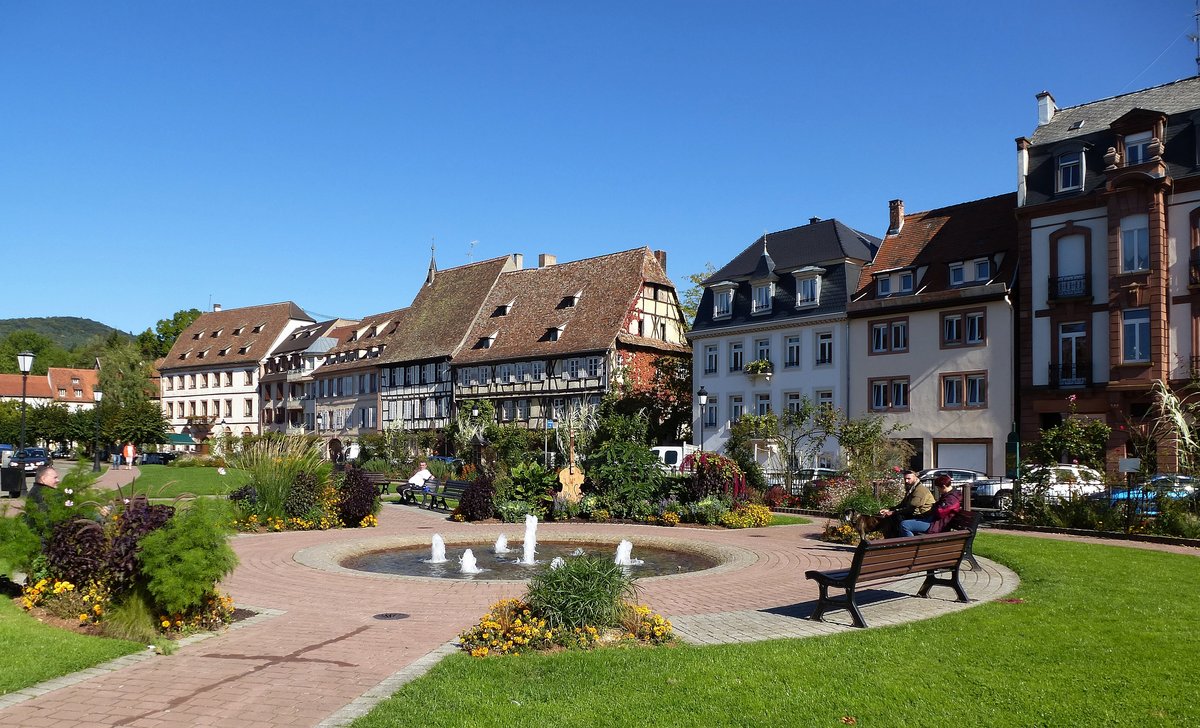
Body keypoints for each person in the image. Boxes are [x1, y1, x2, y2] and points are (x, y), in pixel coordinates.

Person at [878, 469, 935, 538]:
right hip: (916, 515)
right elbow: (903, 504)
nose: (906, 481)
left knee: (902, 523)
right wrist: (889, 510)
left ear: (915, 477)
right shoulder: (912, 489)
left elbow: (911, 508)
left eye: (909, 478)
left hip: (924, 517)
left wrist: (893, 512)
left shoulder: (920, 490)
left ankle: (909, 543)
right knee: (892, 518)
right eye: (905, 479)